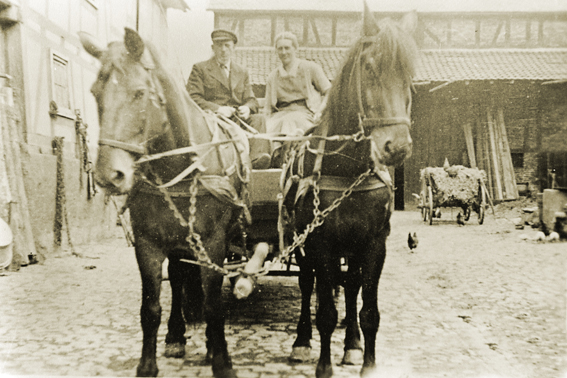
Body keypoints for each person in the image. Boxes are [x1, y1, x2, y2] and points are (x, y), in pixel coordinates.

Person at [186, 29, 271, 169]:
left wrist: (247, 108)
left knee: (259, 119)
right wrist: (218, 109)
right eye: (219, 45)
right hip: (212, 120)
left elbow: (251, 99)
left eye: (227, 46)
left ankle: (256, 161)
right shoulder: (200, 69)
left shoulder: (241, 71)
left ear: (234, 48)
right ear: (213, 48)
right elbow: (192, 98)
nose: (223, 50)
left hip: (237, 119)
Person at [264, 32, 332, 149]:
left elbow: (329, 91)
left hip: (305, 115)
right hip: (279, 117)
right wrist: (265, 123)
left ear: (295, 48)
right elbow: (267, 109)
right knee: (268, 128)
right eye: (280, 49)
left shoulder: (310, 68)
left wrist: (320, 111)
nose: (284, 52)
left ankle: (286, 154)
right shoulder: (273, 76)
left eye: (287, 48)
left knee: (290, 121)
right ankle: (275, 156)